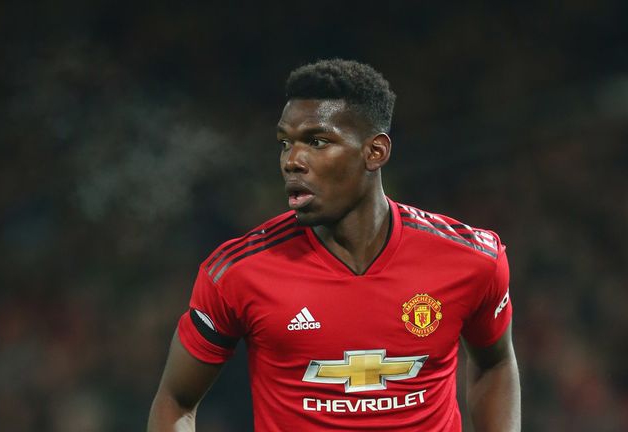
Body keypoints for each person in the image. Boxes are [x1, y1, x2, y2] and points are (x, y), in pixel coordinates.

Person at [148, 59, 520, 431]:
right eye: (285, 143)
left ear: (375, 152)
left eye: (317, 141)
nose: (292, 161)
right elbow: (175, 401)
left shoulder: (472, 260)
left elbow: (495, 365)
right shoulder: (237, 272)